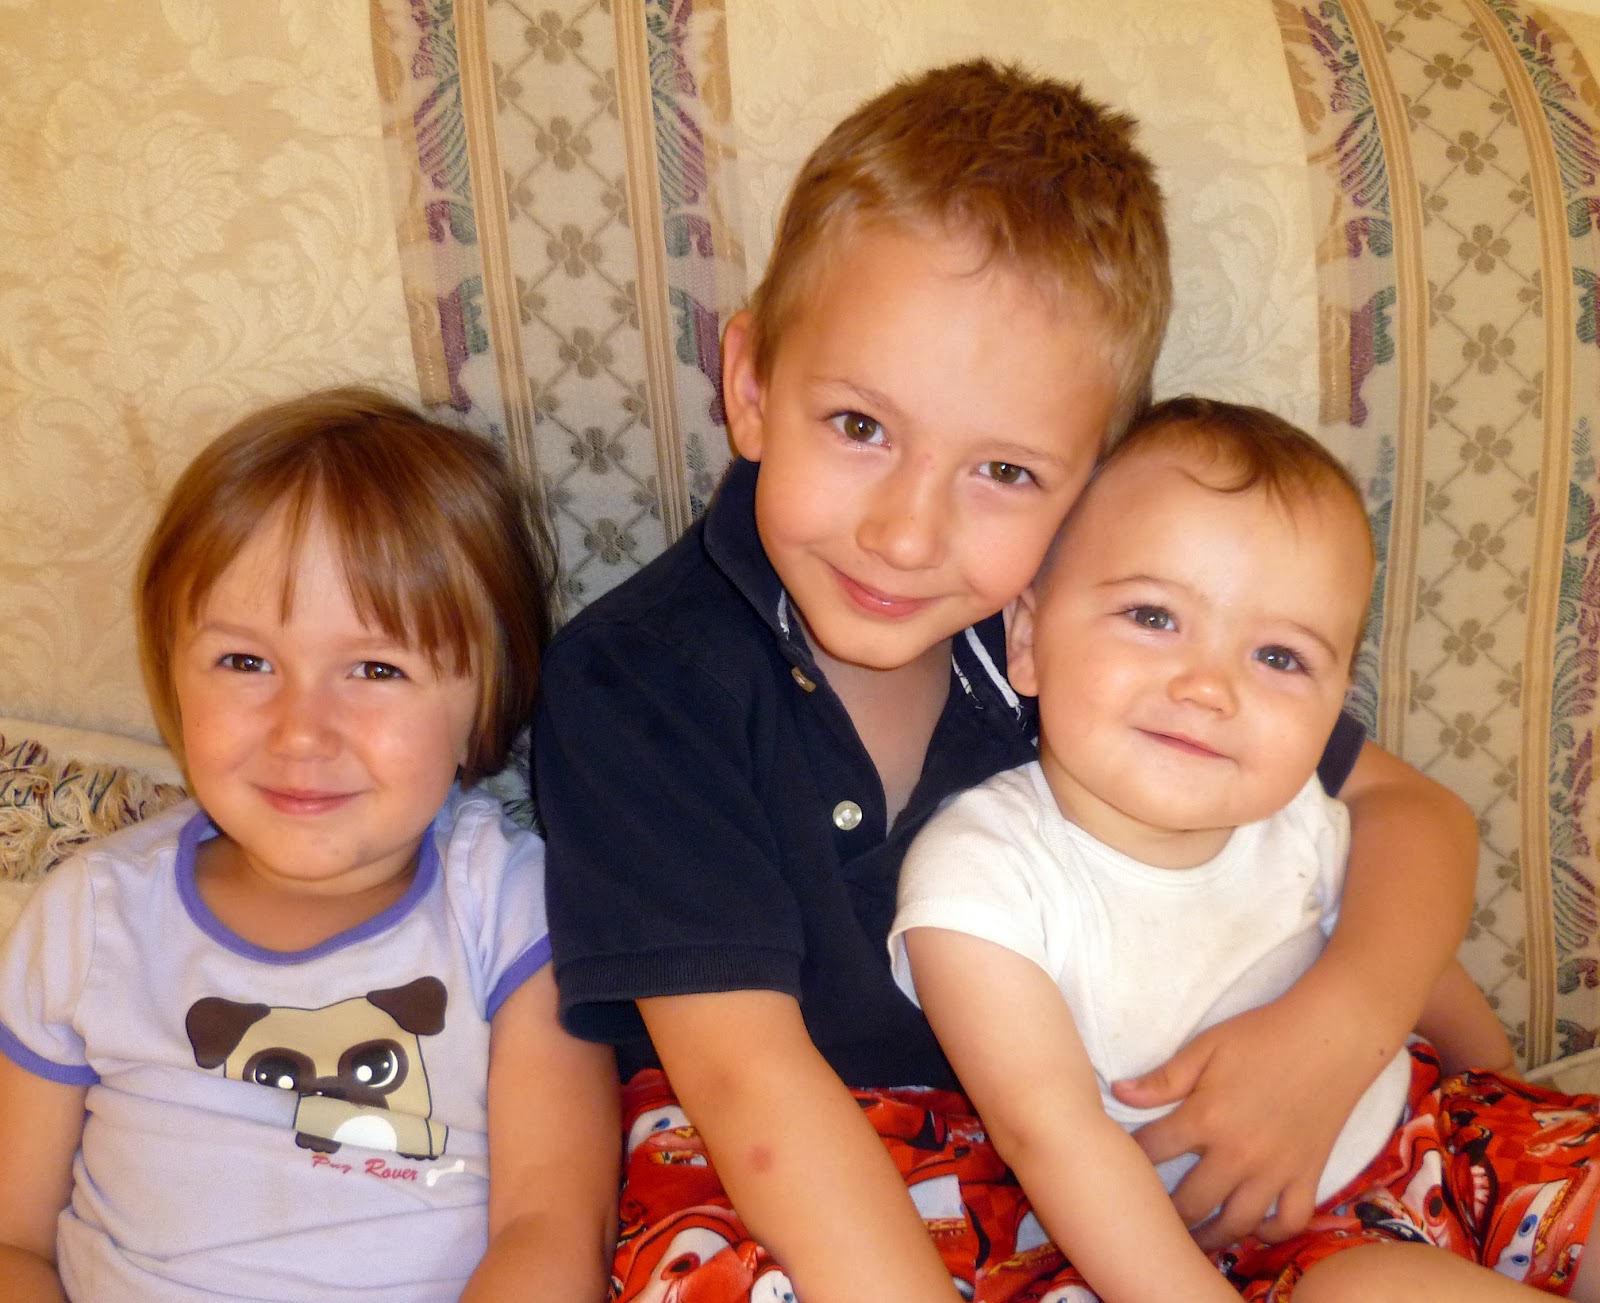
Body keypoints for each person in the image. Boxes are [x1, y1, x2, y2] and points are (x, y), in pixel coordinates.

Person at [534, 60, 1479, 1302]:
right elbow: (749, 1088)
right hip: (816, 1168)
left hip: (1147, 1143)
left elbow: (1416, 815)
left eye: (1005, 472)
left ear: (1092, 487)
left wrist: (1337, 1026)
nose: (906, 534)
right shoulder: (641, 683)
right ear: (751, 384)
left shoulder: (1102, 631)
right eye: (860, 426)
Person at [892, 395, 1599, 1303]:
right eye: (1153, 616)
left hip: (1438, 1134)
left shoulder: (1300, 813)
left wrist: (1501, 1088)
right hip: (1243, 1245)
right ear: (1026, 638)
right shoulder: (980, 876)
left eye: (1279, 658)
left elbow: (1416, 972)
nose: (1208, 686)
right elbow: (1052, 1135)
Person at [0, 389, 619, 1302]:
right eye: (245, 661)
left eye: (376, 668)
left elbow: (555, 1229)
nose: (300, 730)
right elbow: (12, 1239)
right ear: (172, 672)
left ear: (485, 700)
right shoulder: (92, 917)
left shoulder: (513, 909)